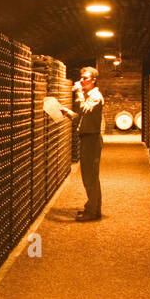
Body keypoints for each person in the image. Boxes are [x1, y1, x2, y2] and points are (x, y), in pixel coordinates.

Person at [62, 67, 103, 221]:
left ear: (94, 80)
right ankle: (92, 207)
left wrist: (78, 92)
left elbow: (85, 109)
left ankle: (93, 212)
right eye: (81, 77)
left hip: (92, 140)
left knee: (90, 177)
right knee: (90, 176)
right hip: (87, 139)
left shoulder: (96, 96)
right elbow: (82, 118)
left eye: (85, 78)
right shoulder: (89, 95)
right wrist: (67, 112)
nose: (81, 80)